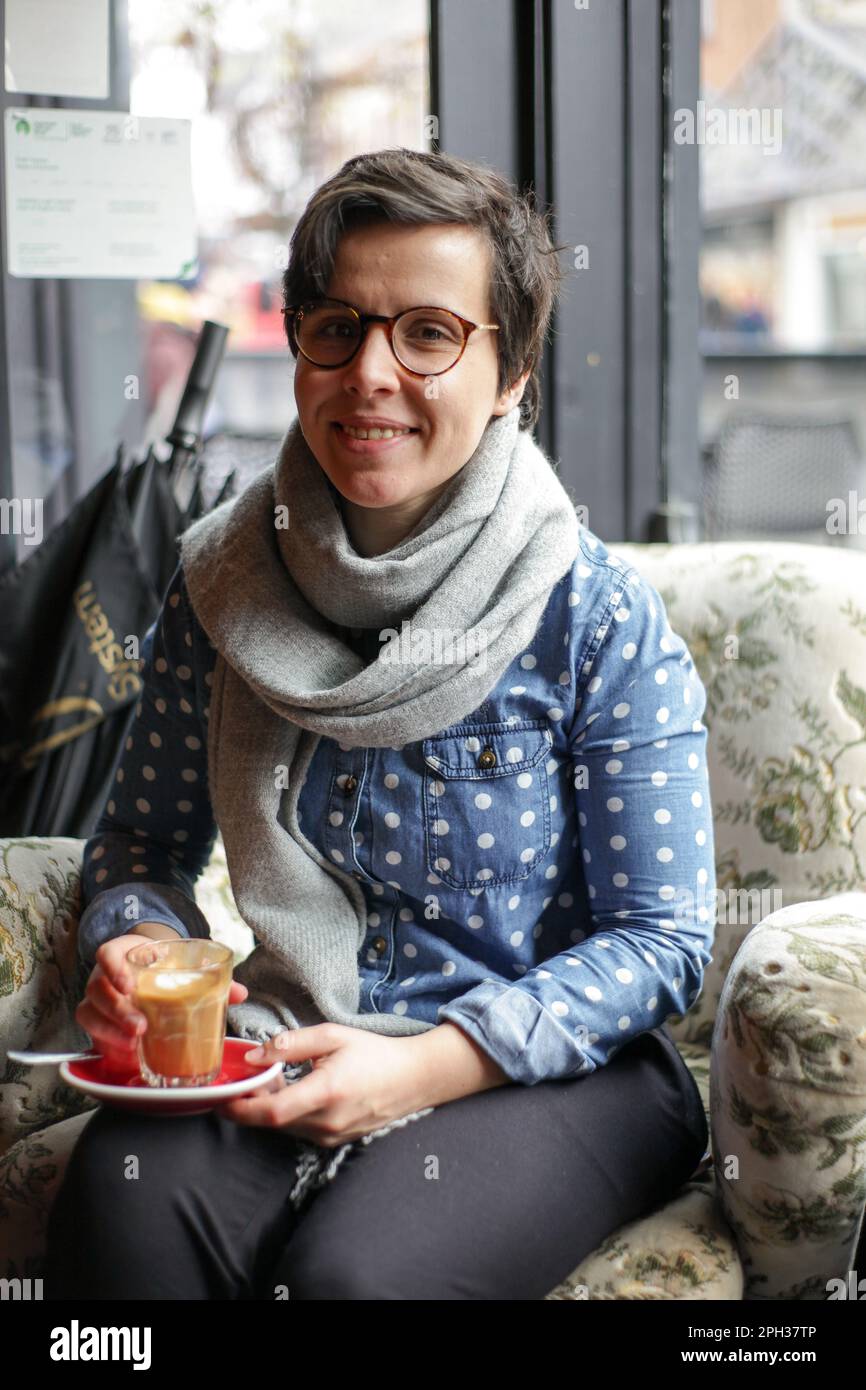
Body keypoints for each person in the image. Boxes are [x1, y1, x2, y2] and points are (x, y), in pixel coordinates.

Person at [44, 147, 713, 1301]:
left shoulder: (594, 616)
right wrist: (134, 940)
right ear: (297, 341)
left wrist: (424, 1069)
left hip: (555, 1068)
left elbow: (662, 940)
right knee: (121, 1214)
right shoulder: (218, 589)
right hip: (285, 1031)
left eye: (428, 334)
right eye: (338, 326)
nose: (371, 374)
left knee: (360, 1278)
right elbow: (141, 850)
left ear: (510, 374)